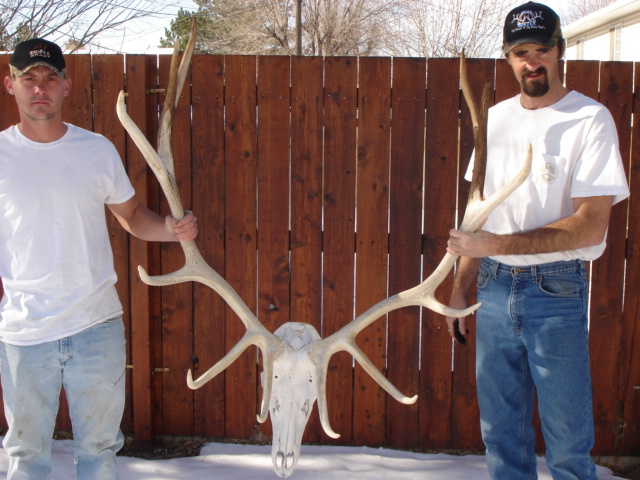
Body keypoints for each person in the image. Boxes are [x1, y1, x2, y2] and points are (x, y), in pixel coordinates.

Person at [445, 3, 629, 480]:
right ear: (508, 59)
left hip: (557, 290)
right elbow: (476, 215)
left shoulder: (590, 119)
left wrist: (496, 246)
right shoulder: (497, 120)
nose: (531, 61)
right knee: (501, 437)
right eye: (520, 52)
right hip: (492, 287)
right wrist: (461, 289)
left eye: (541, 49)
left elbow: (591, 226)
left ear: (560, 50)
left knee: (567, 443)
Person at [0, 38, 198, 479]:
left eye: (49, 78)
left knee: (99, 454)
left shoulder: (96, 150)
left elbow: (130, 215)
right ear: (9, 84)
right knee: (26, 457)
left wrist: (169, 228)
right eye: (28, 79)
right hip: (24, 335)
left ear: (66, 86)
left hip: (96, 328)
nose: (39, 89)